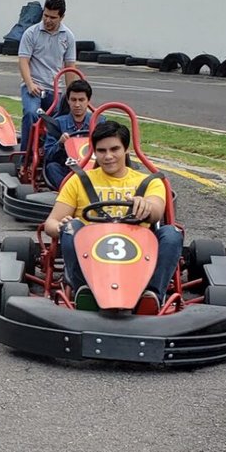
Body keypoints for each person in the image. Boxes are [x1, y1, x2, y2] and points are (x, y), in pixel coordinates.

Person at [42, 120, 182, 312]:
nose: (108, 156)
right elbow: (51, 222)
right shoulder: (79, 181)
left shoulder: (149, 182)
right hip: (91, 260)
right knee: (70, 227)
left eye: (114, 149)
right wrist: (61, 227)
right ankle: (85, 292)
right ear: (94, 152)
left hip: (138, 257)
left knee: (172, 233)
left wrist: (146, 207)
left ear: (126, 149)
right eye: (101, 151)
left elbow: (157, 210)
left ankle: (151, 296)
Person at [17, 0, 76, 150]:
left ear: (62, 17)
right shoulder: (31, 33)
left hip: (55, 89)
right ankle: (25, 156)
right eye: (45, 15)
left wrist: (72, 95)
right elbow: (23, 61)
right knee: (31, 114)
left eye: (53, 17)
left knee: (61, 122)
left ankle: (51, 155)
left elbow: (70, 67)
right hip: (34, 87)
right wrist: (30, 84)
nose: (48, 20)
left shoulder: (68, 37)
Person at [41, 77, 95, 190]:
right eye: (73, 100)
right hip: (67, 169)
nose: (77, 104)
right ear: (68, 101)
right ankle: (71, 192)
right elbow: (48, 156)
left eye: (81, 100)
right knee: (51, 167)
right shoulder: (58, 124)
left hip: (93, 169)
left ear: (88, 101)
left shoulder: (98, 122)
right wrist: (60, 144)